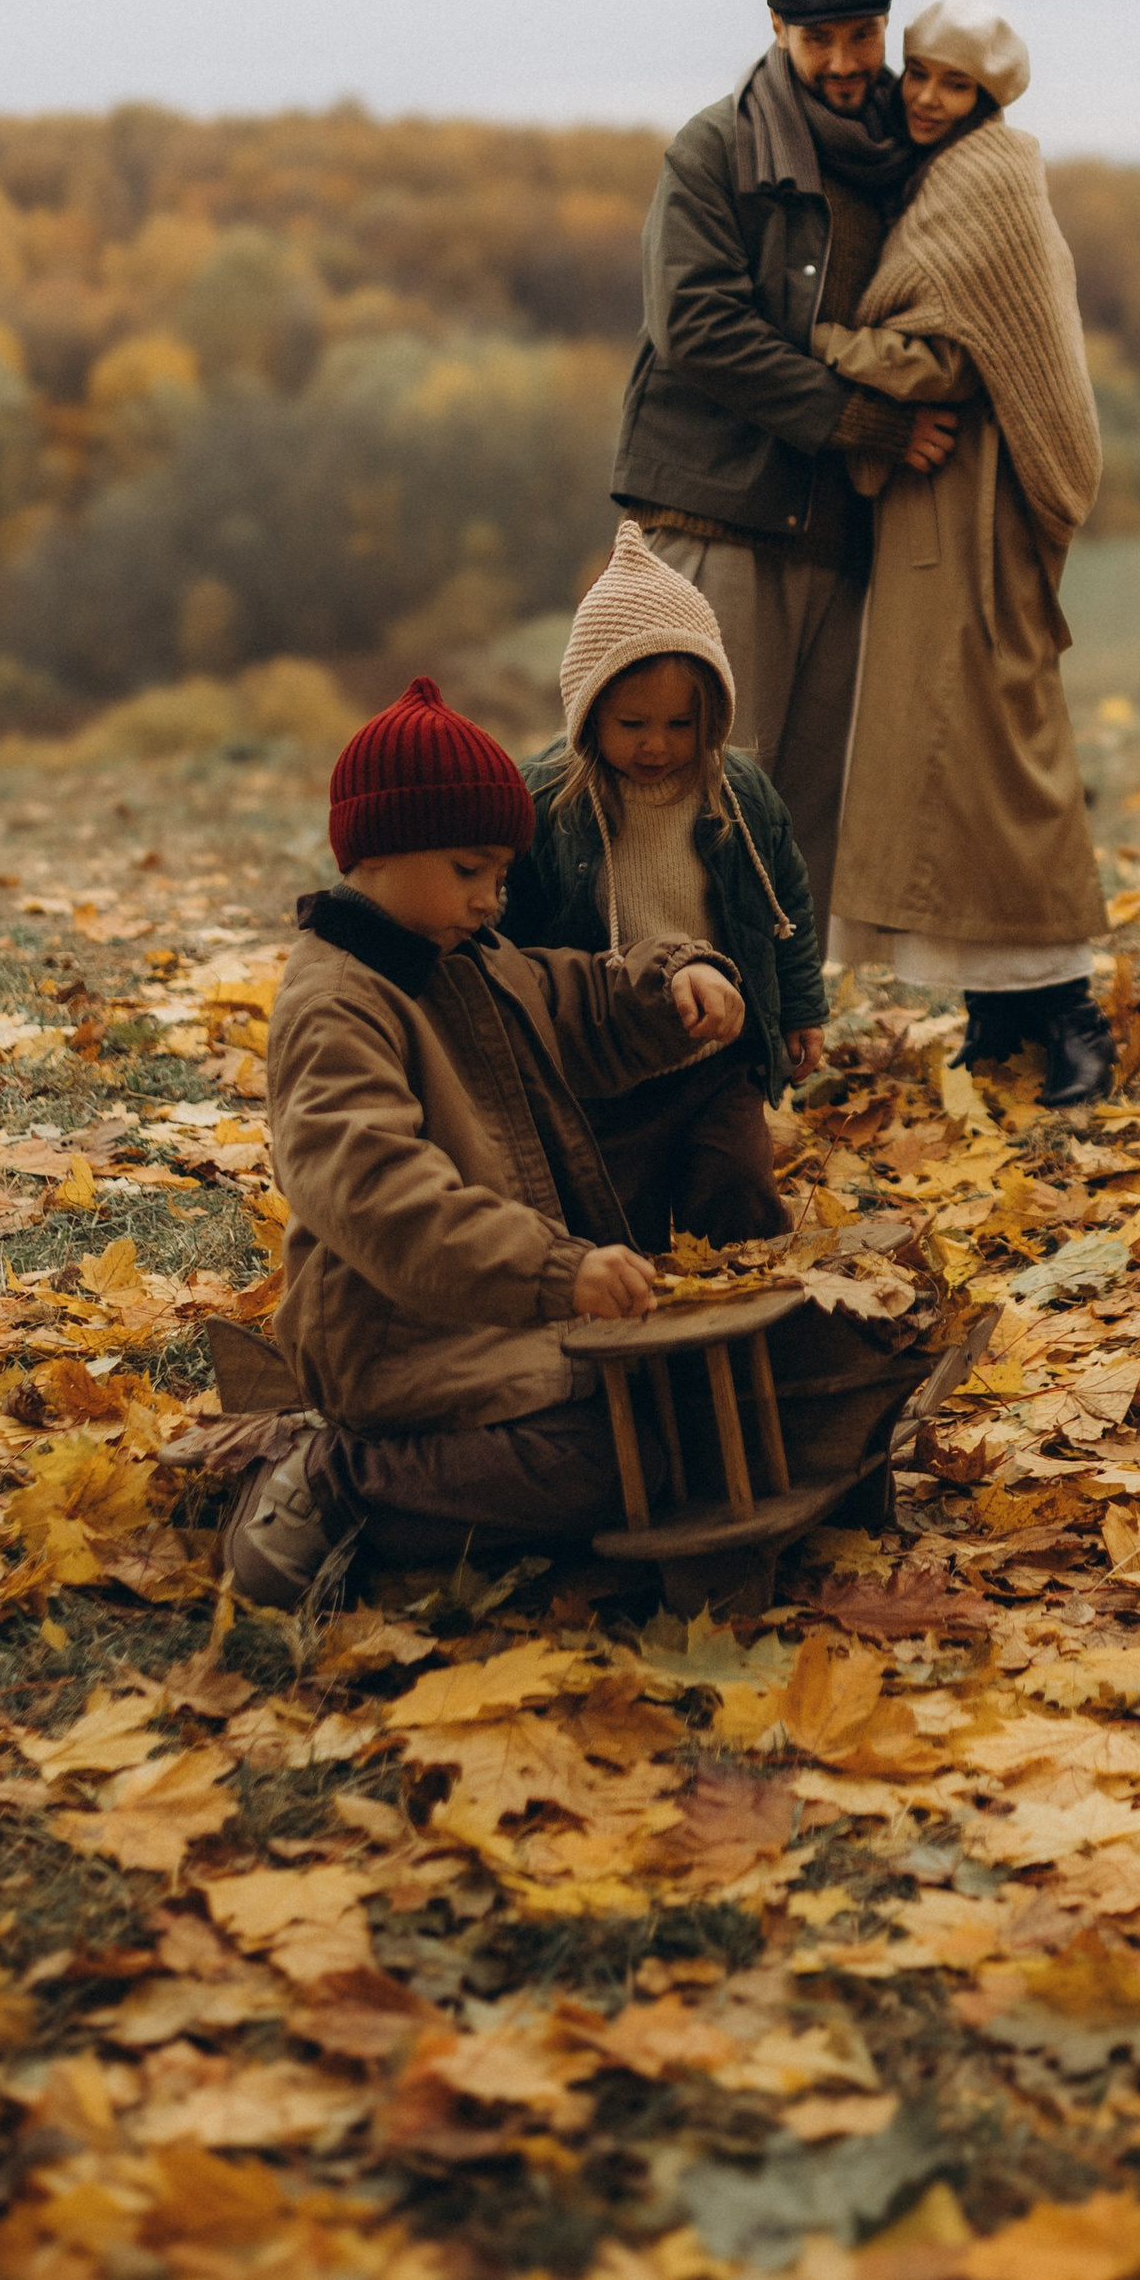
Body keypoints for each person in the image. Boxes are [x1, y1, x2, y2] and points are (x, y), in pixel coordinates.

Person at [230, 673, 751, 1603]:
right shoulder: (338, 1004)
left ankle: (446, 1486)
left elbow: (577, 998)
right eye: (470, 872)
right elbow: (381, 1194)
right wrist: (555, 1270)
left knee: (662, 1417)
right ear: (381, 852)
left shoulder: (463, 957)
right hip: (395, 1334)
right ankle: (341, 1483)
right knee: (597, 1459)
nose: (490, 900)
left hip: (496, 1304)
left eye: (502, 876)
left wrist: (673, 980)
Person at [611, 0, 958, 922]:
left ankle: (777, 1043)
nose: (845, 64)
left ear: (886, 28)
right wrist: (863, 423)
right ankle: (663, 1028)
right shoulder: (714, 146)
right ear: (777, 31)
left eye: (863, 36)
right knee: (684, 801)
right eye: (820, 42)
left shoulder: (908, 153)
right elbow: (696, 328)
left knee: (802, 820)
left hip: (837, 532)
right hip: (712, 515)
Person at [811, 0, 1116, 1108]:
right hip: (934, 502)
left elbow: (941, 356)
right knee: (954, 764)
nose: (930, 98)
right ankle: (999, 1014)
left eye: (954, 84)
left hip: (978, 501)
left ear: (987, 98)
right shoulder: (935, 171)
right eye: (920, 76)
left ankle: (1070, 1009)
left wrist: (822, 342)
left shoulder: (986, 174)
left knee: (1005, 749)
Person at [503, 522, 823, 1252]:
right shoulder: (553, 803)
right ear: (588, 711)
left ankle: (758, 1304)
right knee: (619, 1219)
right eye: (632, 723)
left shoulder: (736, 794)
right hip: (614, 1071)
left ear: (714, 710)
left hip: (721, 1055)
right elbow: (519, 931)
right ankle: (643, 1338)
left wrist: (801, 1009)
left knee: (739, 1191)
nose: (657, 744)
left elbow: (786, 906)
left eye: (681, 723)